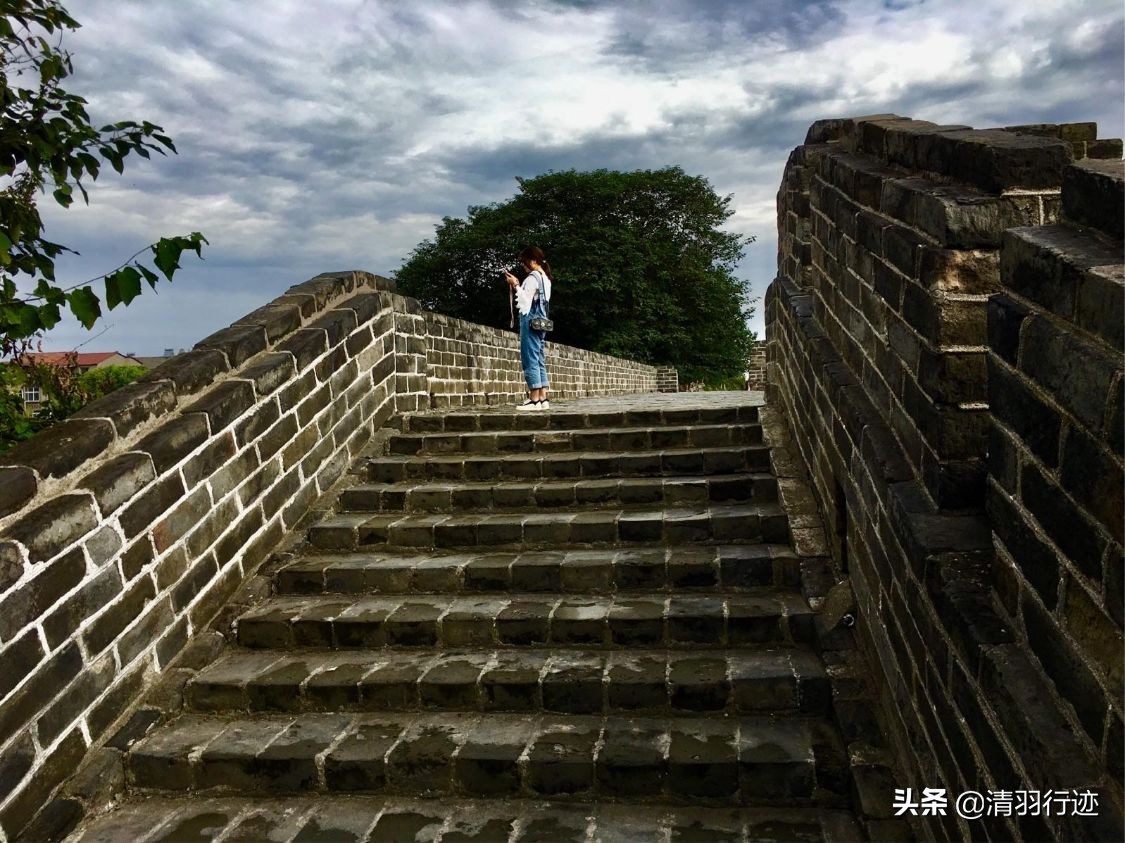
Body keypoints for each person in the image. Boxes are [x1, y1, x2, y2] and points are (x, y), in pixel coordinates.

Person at [503, 246, 552, 410]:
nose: (523, 266)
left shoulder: (532, 278)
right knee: (539, 358)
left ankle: (534, 398)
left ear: (533, 261)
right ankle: (543, 397)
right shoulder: (545, 278)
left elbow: (525, 302)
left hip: (530, 321)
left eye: (524, 262)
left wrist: (515, 285)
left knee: (529, 357)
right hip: (542, 322)